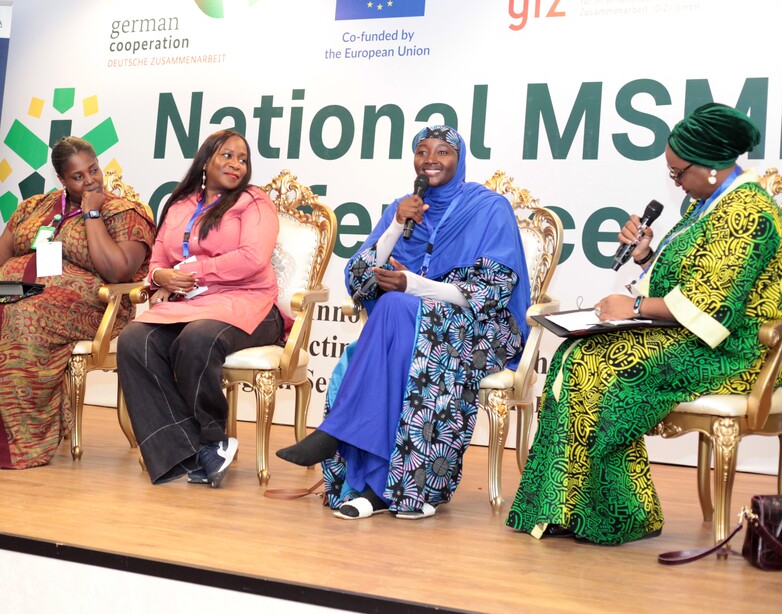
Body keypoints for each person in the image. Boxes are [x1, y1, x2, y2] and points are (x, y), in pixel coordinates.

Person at [506, 103, 782, 545]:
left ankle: (618, 512)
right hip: (691, 336)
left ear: (711, 166)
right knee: (574, 355)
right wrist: (645, 256)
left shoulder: (747, 210)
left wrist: (633, 308)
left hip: (734, 350)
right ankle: (565, 505)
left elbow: (714, 306)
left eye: (677, 173)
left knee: (601, 368)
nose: (674, 182)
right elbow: (687, 281)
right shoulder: (710, 201)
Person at [277, 125, 531, 519]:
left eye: (443, 151)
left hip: (481, 329)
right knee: (395, 317)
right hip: (412, 324)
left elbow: (493, 290)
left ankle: (340, 439)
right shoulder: (404, 206)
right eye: (422, 151)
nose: (431, 159)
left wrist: (413, 285)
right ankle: (377, 489)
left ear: (459, 159)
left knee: (396, 306)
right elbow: (359, 279)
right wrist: (396, 226)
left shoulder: (488, 208)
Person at [117, 130, 284, 488]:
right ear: (206, 161)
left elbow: (254, 259)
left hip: (249, 302)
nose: (236, 164)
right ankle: (184, 449)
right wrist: (162, 275)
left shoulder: (254, 202)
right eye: (227, 155)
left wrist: (193, 271)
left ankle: (212, 438)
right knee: (134, 339)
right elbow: (157, 261)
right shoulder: (180, 205)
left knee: (197, 338)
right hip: (190, 305)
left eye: (243, 159)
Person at [0, 136, 155, 469]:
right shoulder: (35, 207)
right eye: (78, 176)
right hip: (23, 292)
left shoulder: (123, 212)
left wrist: (92, 214)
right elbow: (3, 258)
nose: (90, 180)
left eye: (93, 170)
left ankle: (20, 440)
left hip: (93, 306)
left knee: (22, 314)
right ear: (62, 180)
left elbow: (117, 271)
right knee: (7, 304)